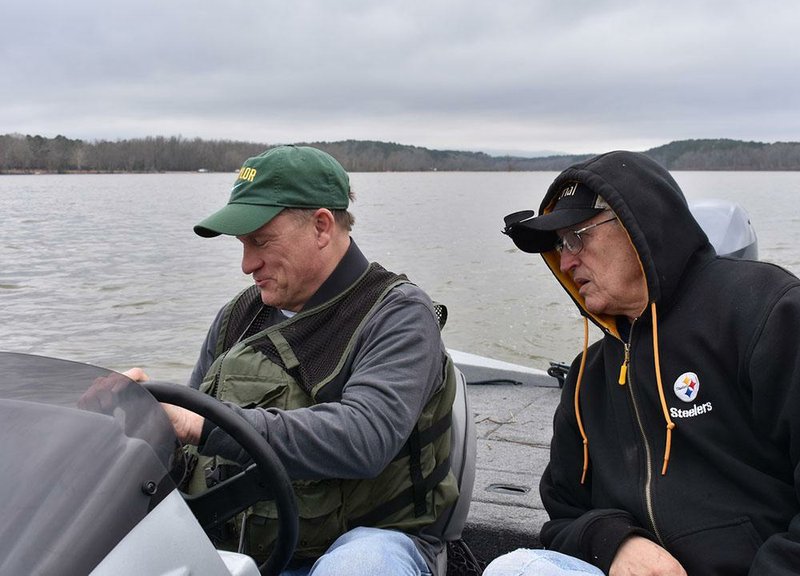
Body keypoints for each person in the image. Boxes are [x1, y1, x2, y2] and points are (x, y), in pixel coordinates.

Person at [129, 145, 459, 575]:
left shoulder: (399, 314)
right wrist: (138, 417)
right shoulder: (238, 315)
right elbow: (190, 436)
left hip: (370, 540)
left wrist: (200, 424)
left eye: (261, 241)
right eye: (243, 244)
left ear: (321, 226)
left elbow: (365, 439)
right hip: (248, 549)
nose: (247, 264)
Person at [487, 150, 800, 575]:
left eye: (577, 236)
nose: (566, 261)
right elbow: (562, 514)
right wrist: (613, 541)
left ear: (640, 227)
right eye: (560, 245)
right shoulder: (588, 376)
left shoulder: (766, 313)